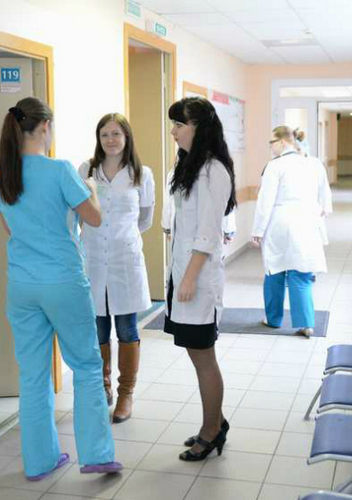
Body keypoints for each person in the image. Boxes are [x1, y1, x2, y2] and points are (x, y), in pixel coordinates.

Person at [0, 97, 122, 481]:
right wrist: (92, 189)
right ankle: (96, 454)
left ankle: (40, 461)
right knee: (87, 366)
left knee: (32, 374)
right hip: (63, 282)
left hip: (22, 286)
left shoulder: (3, 174)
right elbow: (94, 218)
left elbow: (11, 229)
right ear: (45, 127)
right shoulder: (60, 170)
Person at [164, 97, 237, 461]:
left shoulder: (214, 170)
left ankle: (212, 432)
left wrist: (190, 278)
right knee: (197, 354)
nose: (173, 132)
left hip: (198, 278)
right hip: (183, 273)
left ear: (200, 127)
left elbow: (208, 231)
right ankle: (215, 421)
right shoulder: (188, 165)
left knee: (204, 357)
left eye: (179, 125)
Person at [78, 113, 155, 424]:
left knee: (126, 328)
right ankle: (103, 386)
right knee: (97, 328)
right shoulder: (86, 170)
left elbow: (146, 218)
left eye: (116, 134)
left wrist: (122, 237)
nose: (110, 140)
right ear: (98, 139)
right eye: (104, 134)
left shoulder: (141, 174)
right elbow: (80, 212)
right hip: (94, 259)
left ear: (127, 137)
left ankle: (126, 393)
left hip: (125, 260)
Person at [251, 125, 332, 338]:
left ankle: (273, 319)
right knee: (301, 274)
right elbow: (325, 197)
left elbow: (265, 201)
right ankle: (306, 324)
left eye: (271, 143)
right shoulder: (314, 164)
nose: (270, 147)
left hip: (280, 224)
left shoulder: (275, 166)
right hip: (307, 223)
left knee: (274, 272)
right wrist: (322, 213)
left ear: (282, 142)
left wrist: (258, 229)